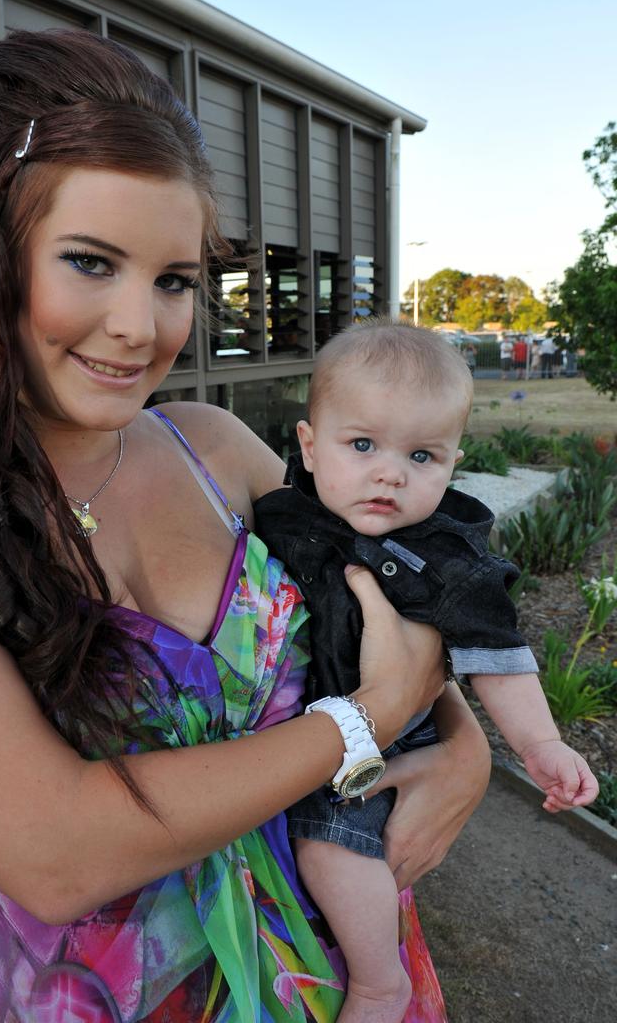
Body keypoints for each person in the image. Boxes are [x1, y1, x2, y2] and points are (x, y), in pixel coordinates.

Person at [0, 31, 492, 1023]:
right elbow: (58, 855)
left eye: (174, 280)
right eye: (90, 263)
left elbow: (387, 603)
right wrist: (363, 721)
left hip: (358, 974)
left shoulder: (217, 448)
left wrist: (461, 738)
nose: (139, 328)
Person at [254, 321, 598, 1023]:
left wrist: (539, 746)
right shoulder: (280, 518)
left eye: (422, 455)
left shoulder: (442, 558)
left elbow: (496, 655)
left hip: (377, 752)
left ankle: (381, 982)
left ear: (453, 464)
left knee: (330, 842)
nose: (391, 473)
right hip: (296, 738)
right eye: (362, 446)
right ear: (310, 448)